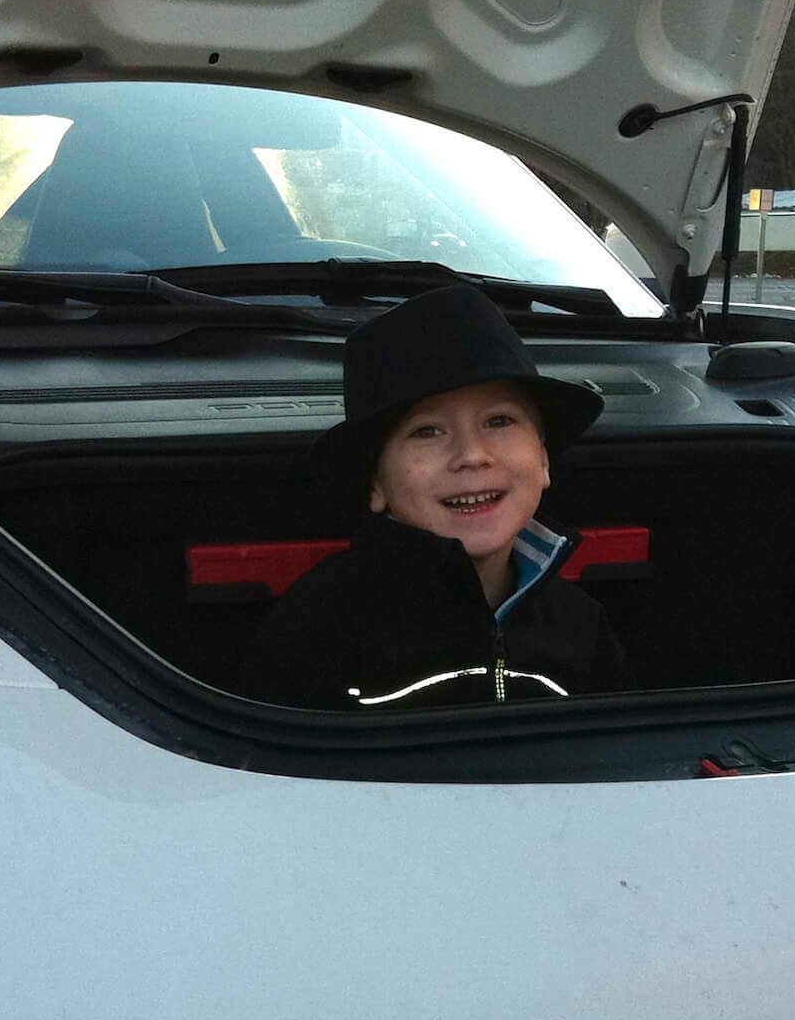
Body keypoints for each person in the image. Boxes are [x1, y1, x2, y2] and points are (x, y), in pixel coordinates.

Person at [244, 284, 634, 710]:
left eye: (499, 420)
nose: (471, 455)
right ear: (376, 486)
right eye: (427, 431)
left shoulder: (580, 623)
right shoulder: (318, 629)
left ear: (543, 461)